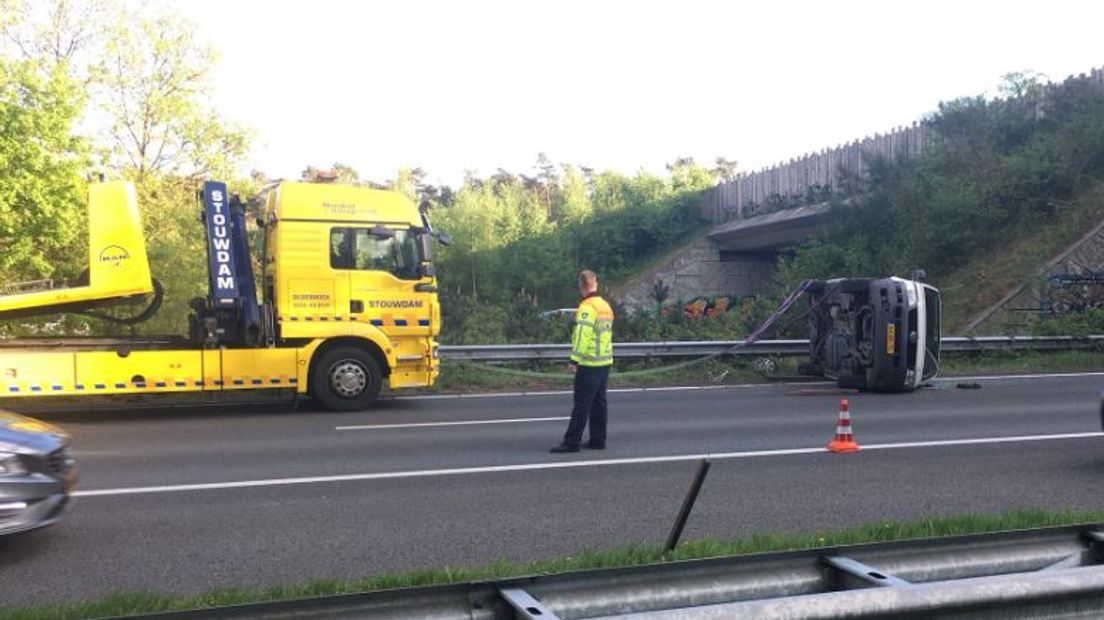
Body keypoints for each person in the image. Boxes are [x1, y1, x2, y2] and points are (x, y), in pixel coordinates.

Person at [550, 269, 614, 453]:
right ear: (596, 284)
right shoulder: (605, 306)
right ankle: (598, 439)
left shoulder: (587, 308)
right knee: (599, 403)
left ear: (581, 286)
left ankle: (572, 442)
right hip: (604, 362)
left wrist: (574, 360)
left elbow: (582, 337)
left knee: (582, 404)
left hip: (589, 363)